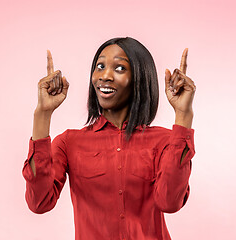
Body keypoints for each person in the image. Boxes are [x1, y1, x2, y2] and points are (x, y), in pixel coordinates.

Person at [22, 37, 196, 240]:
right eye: (100, 66)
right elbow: (39, 203)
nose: (105, 76)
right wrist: (42, 114)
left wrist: (183, 115)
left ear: (140, 78)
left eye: (120, 68)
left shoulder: (165, 141)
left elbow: (170, 202)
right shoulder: (69, 143)